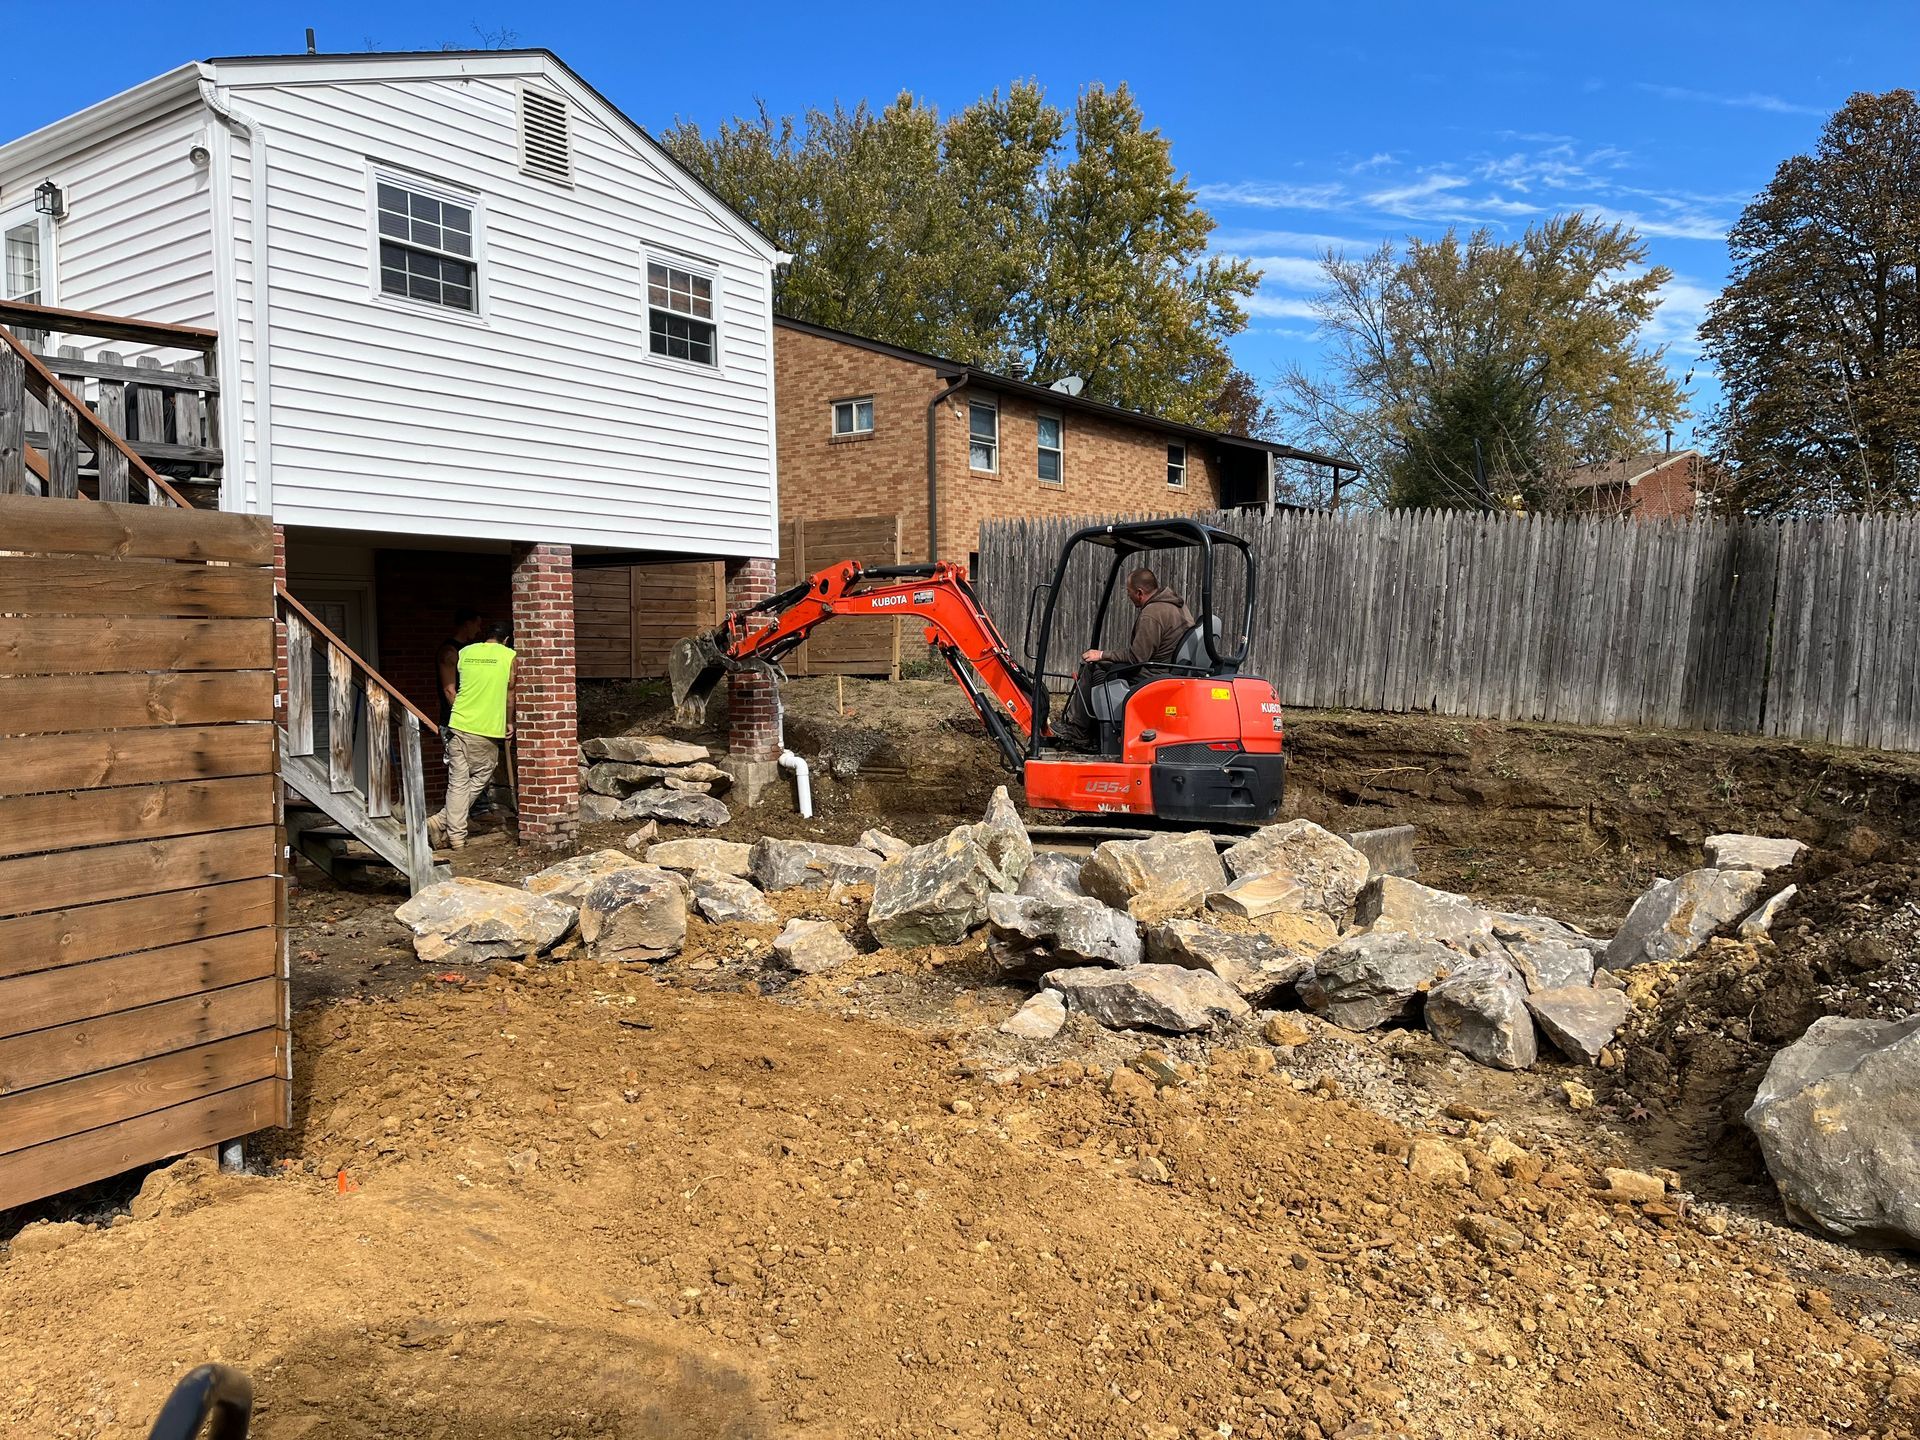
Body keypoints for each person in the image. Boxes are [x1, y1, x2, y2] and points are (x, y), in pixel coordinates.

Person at [1053, 568, 1196, 751]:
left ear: (1139, 593)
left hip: (1154, 673)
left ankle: (1080, 731)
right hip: (1168, 669)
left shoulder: (1152, 614)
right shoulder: (1177, 606)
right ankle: (1094, 730)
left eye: (1128, 592)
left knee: (1093, 666)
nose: (1128, 596)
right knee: (1104, 665)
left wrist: (1102, 654)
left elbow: (1136, 657)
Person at [428, 620, 515, 851]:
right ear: (506, 640)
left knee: (457, 782)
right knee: (481, 776)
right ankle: (442, 821)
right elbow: (509, 694)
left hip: (457, 723)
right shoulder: (509, 656)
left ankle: (454, 836)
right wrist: (509, 722)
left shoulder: (465, 651)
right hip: (485, 728)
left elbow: (454, 685)